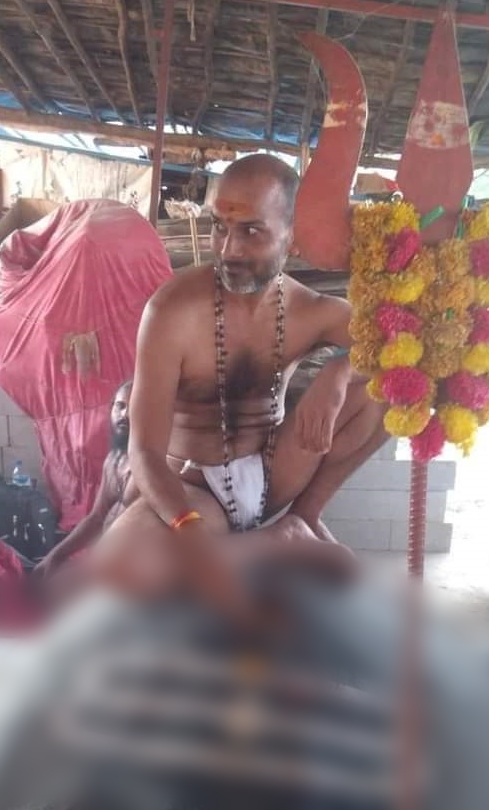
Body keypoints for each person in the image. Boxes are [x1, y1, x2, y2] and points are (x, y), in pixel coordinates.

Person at [91, 154, 389, 617]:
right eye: (219, 227)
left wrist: (341, 372)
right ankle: (280, 539)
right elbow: (143, 452)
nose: (229, 249)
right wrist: (188, 530)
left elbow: (404, 351)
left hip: (274, 472)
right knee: (118, 568)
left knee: (388, 389)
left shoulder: (312, 310)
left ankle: (305, 516)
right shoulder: (171, 310)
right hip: (194, 490)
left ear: (292, 238)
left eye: (252, 231)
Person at [34, 380, 134, 580]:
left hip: (131, 571)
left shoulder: (151, 466)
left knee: (62, 589)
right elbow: (96, 518)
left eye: (133, 408)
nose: (125, 415)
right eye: (120, 406)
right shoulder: (114, 460)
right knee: (43, 578)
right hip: (102, 559)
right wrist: (54, 556)